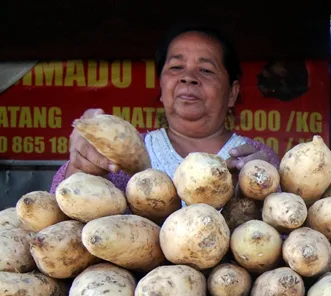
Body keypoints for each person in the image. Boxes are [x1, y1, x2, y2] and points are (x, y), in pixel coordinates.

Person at [49, 24, 280, 194]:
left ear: (232, 93)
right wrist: (80, 168)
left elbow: (284, 236)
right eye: (176, 67)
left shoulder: (256, 157)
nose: (188, 78)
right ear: (161, 87)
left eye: (206, 70)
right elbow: (61, 219)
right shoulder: (125, 153)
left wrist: (258, 192)